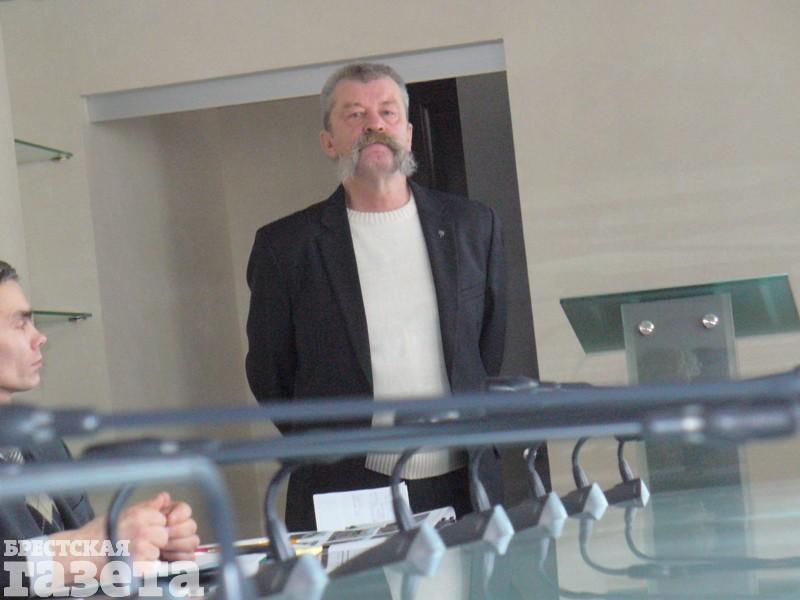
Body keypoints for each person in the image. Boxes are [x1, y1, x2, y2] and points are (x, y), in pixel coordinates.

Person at [246, 63, 507, 531]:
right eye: (355, 115)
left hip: (466, 480)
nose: (375, 125)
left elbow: (487, 347)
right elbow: (271, 373)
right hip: (343, 483)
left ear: (408, 133)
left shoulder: (473, 226)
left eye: (388, 112)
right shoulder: (286, 247)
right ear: (329, 142)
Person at [0, 260, 199, 591]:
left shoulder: (45, 441)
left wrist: (151, 547)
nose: (40, 337)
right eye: (20, 325)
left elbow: (90, 572)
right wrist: (90, 548)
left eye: (33, 321)